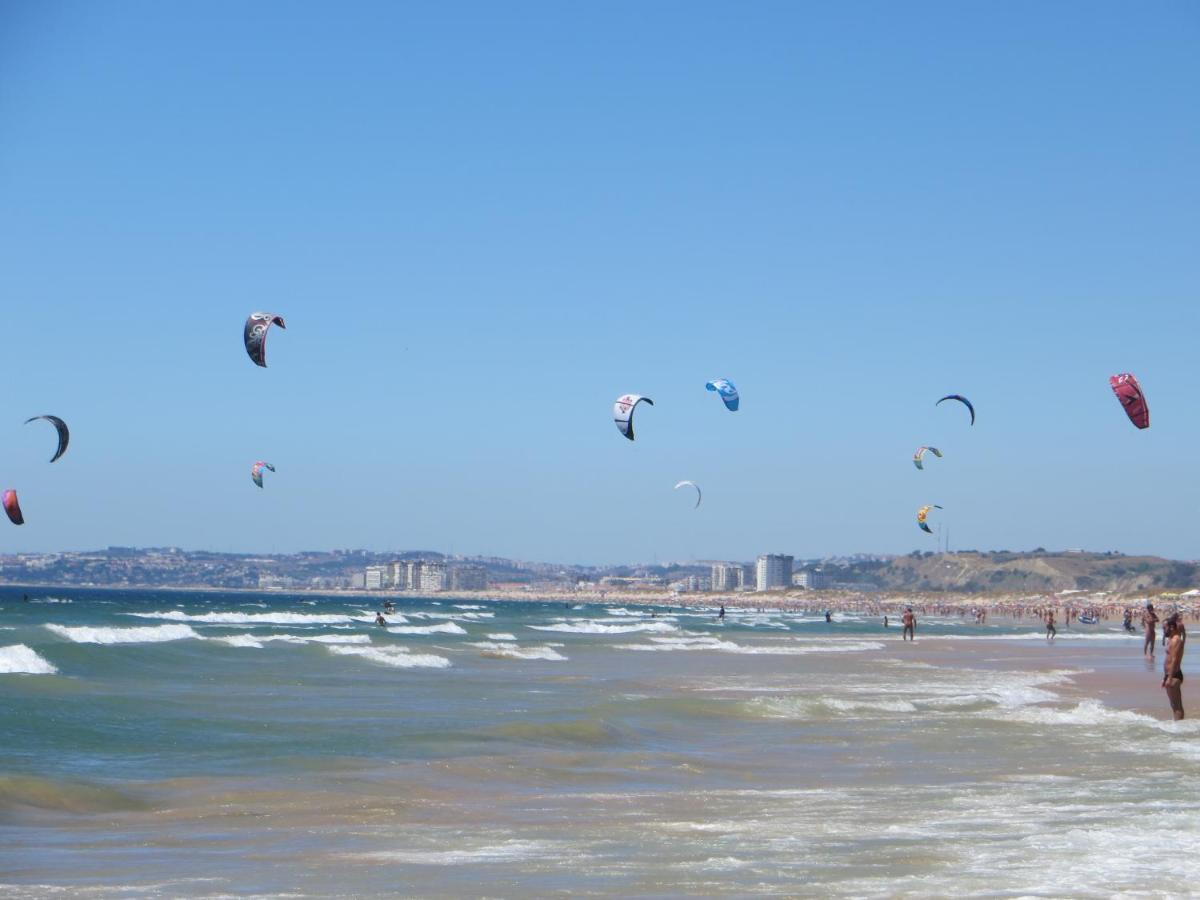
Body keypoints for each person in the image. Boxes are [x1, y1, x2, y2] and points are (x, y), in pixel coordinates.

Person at [1163, 613, 1186, 720]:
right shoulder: (1170, 640)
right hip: (1169, 675)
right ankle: (1177, 727)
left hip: (1174, 675)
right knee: (1173, 705)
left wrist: (1170, 677)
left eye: (1165, 628)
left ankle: (1179, 731)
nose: (1164, 631)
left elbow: (1174, 660)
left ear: (1171, 627)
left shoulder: (1177, 640)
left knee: (1177, 706)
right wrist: (1165, 677)